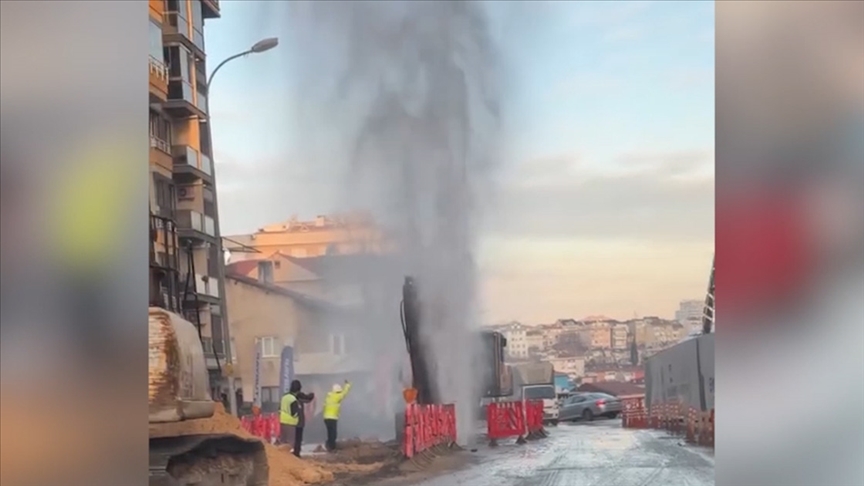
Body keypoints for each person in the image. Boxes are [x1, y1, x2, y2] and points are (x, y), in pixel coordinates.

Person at [279, 380, 315, 457]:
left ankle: (282, 457)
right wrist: (312, 394)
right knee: (294, 441)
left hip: (283, 421)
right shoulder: (296, 397)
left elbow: (280, 408)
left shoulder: (285, 396)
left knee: (284, 441)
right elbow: (307, 399)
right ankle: (294, 456)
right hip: (294, 422)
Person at [323, 380, 352, 452]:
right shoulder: (337, 397)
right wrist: (348, 385)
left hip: (326, 418)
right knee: (333, 434)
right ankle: (332, 447)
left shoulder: (328, 396)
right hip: (333, 418)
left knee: (329, 433)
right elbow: (344, 393)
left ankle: (329, 445)